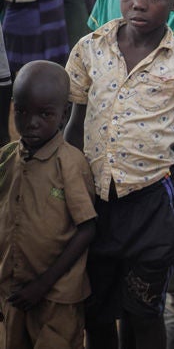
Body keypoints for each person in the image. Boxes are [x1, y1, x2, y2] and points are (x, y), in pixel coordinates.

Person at [64, 0, 174, 349]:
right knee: (95, 311)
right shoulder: (90, 48)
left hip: (151, 206)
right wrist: (68, 190)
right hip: (93, 202)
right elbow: (74, 126)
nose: (139, 4)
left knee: (144, 313)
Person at [0, 61, 96, 349]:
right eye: (22, 112)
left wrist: (43, 285)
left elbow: (87, 228)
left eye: (45, 114)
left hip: (56, 296)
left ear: (64, 114)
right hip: (13, 290)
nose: (32, 123)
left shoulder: (70, 163)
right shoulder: (7, 158)